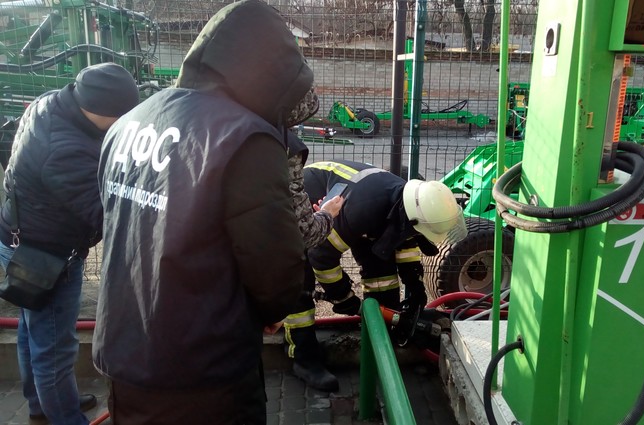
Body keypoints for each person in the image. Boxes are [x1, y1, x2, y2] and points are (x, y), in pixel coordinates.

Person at [92, 1, 309, 424]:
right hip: (203, 369)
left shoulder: (133, 120)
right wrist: (274, 309)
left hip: (124, 353)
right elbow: (273, 259)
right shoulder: (245, 138)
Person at [0, 62, 139, 425]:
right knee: (55, 351)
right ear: (103, 110)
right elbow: (103, 215)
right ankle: (64, 416)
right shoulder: (65, 151)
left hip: (20, 239)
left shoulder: (52, 103)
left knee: (31, 332)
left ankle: (40, 405)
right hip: (45, 257)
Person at [288, 159, 467, 391]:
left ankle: (382, 336)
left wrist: (414, 285)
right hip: (313, 201)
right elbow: (321, 256)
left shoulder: (409, 204)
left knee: (382, 275)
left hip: (361, 206)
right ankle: (304, 358)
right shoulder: (362, 209)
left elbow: (405, 240)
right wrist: (343, 298)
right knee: (298, 278)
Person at [283, 132, 344, 392]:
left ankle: (306, 353)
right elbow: (306, 233)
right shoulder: (283, 142)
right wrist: (327, 215)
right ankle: (304, 358)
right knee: (295, 274)